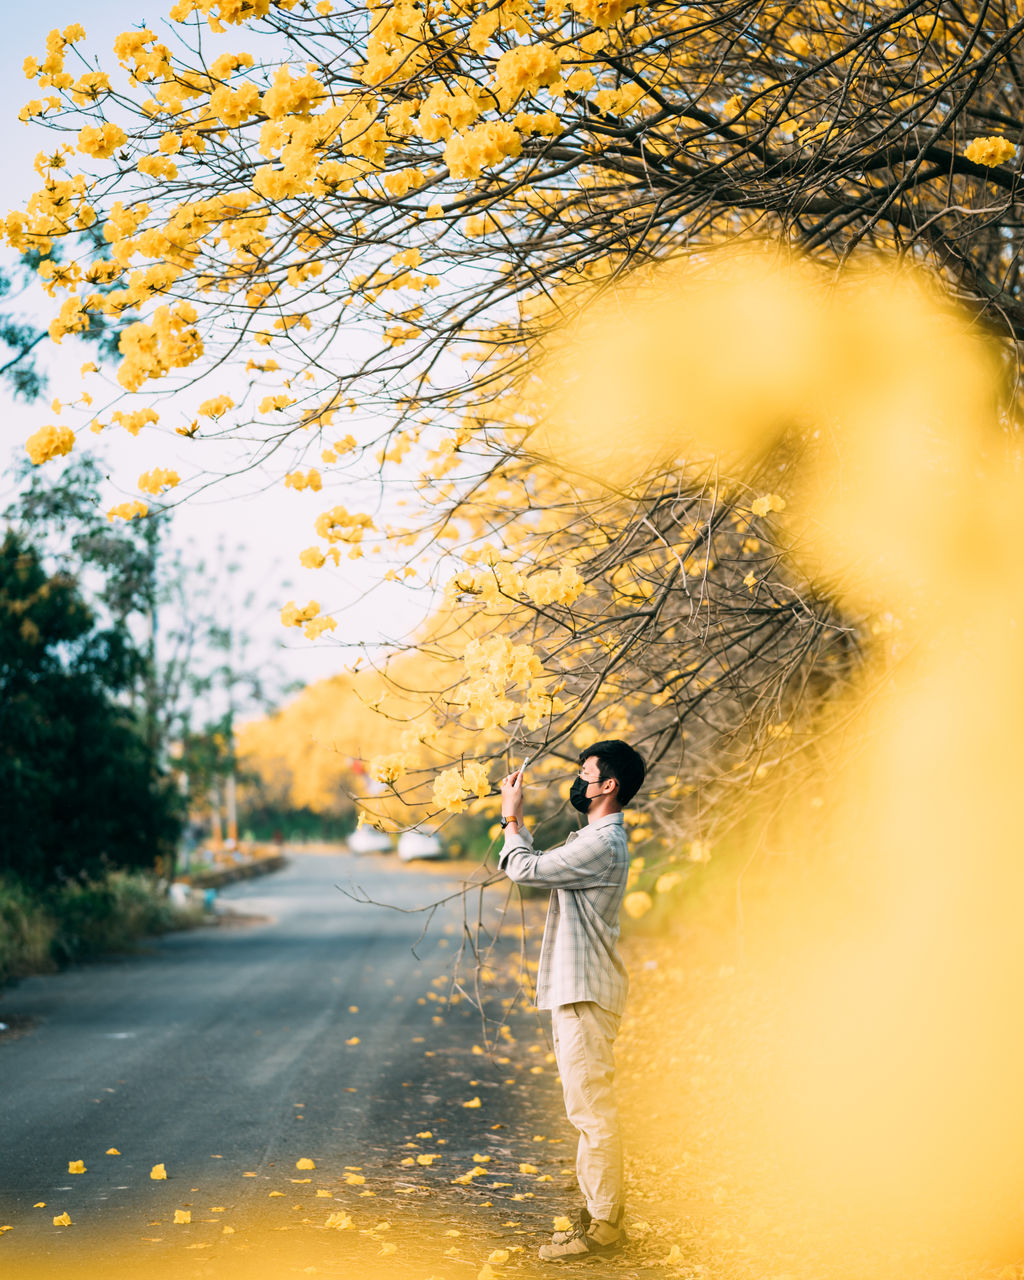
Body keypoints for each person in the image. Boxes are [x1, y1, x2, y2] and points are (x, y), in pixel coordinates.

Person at [498, 739, 647, 1262]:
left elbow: (525, 870)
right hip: (580, 990)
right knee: (586, 1109)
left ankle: (604, 1229)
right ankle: (598, 1217)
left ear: (608, 785)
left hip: (586, 992)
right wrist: (518, 831)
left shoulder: (603, 842)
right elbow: (539, 864)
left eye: (586, 774)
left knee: (592, 1112)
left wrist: (510, 819)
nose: (578, 782)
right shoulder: (593, 839)